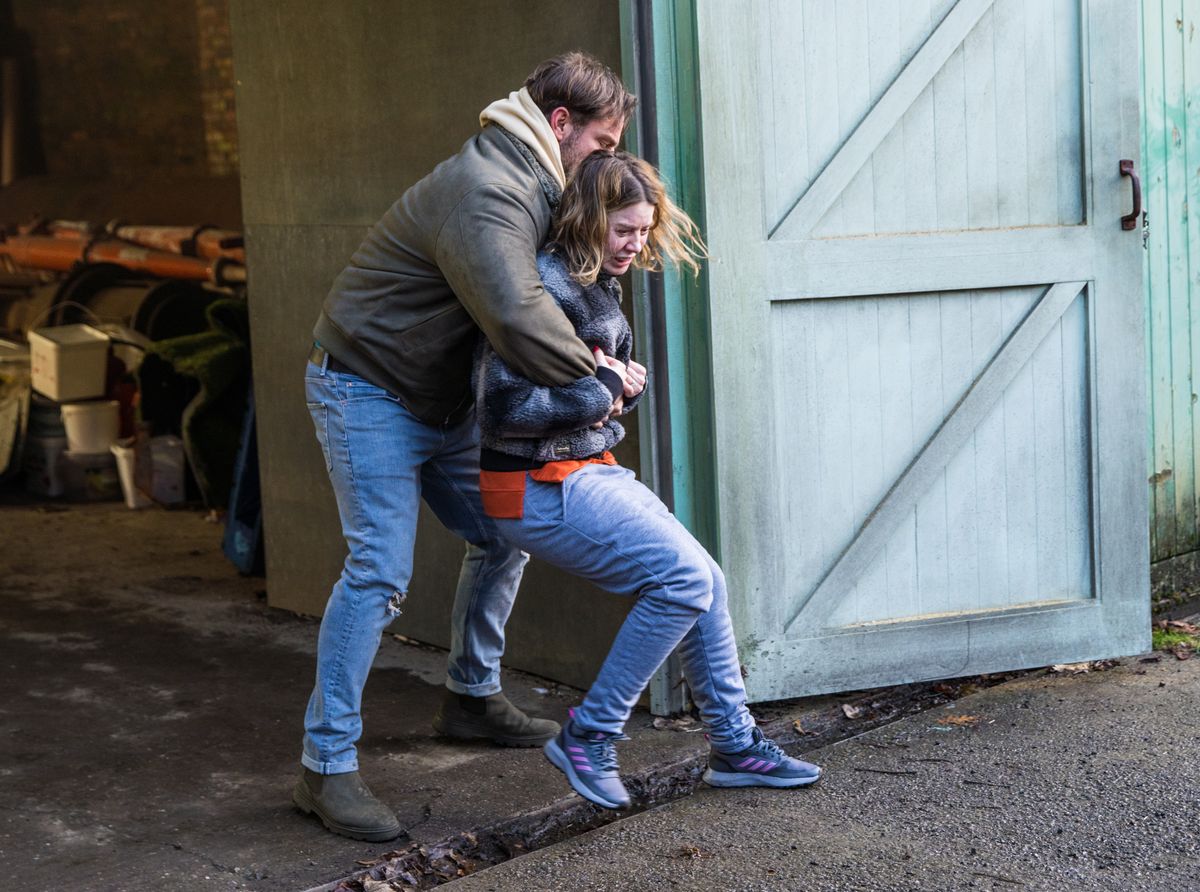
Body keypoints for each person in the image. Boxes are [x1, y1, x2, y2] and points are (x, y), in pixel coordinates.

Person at [295, 53, 641, 842]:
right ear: (559, 125)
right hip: (367, 386)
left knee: (500, 531)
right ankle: (324, 768)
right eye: (603, 139)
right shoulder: (490, 189)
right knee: (379, 569)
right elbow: (518, 315)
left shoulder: (537, 181)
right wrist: (603, 374)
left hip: (438, 396)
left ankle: (470, 697)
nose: (609, 158)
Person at [473, 151, 821, 810]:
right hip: (534, 485)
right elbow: (502, 410)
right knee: (684, 579)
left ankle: (734, 744)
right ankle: (590, 735)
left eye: (643, 229)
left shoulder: (595, 280)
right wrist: (603, 389)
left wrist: (615, 391)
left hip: (581, 469)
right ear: (588, 217)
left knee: (705, 580)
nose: (635, 243)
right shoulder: (544, 289)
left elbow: (595, 391)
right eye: (624, 229)